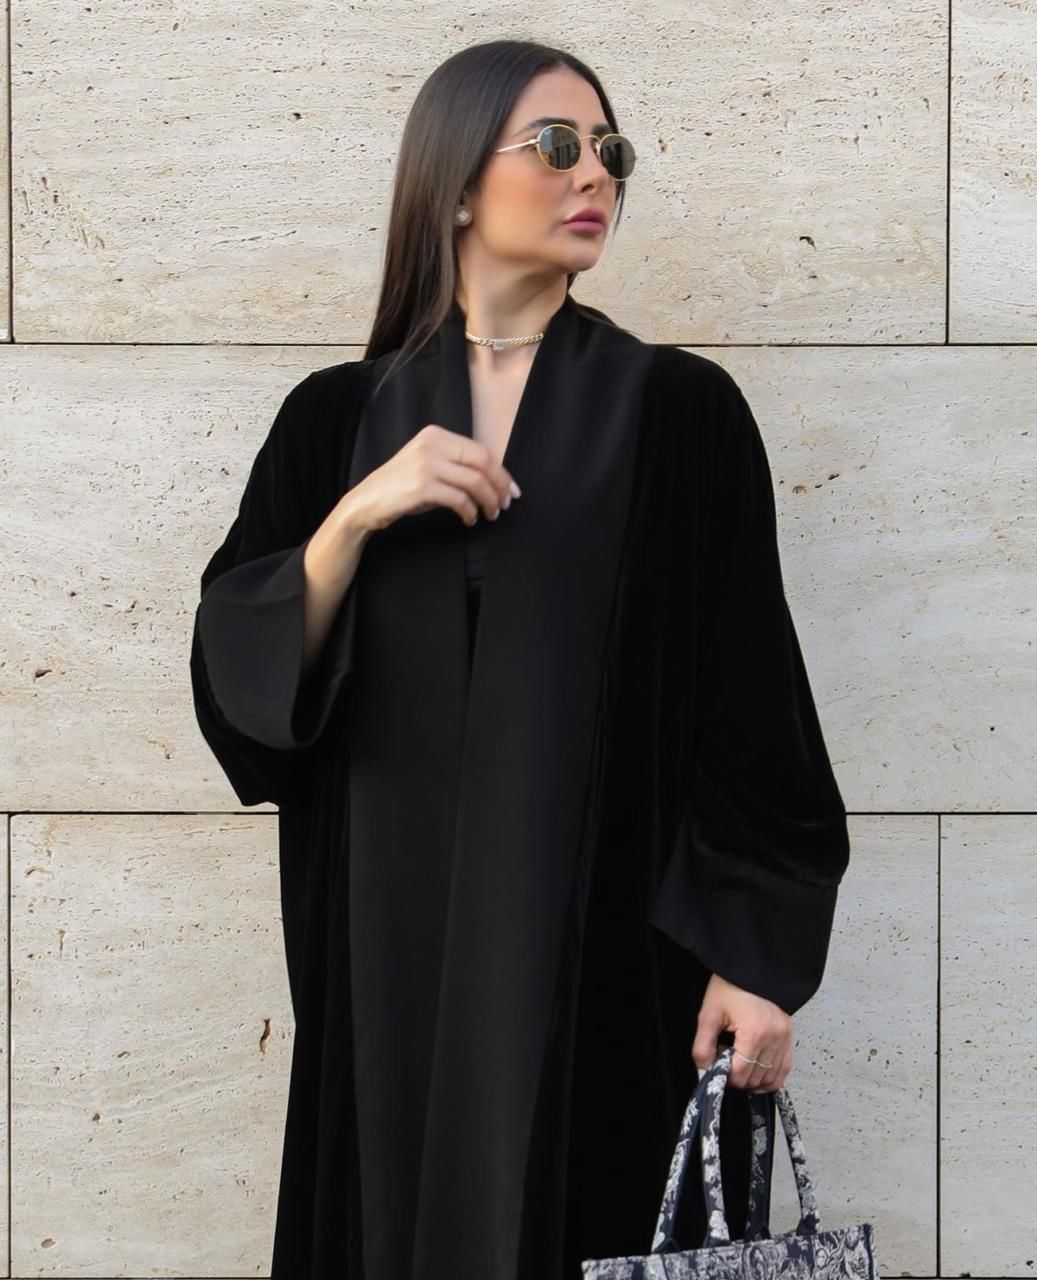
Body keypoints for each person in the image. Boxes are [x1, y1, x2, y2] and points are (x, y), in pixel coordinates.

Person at [189, 37, 851, 1280]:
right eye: (554, 145)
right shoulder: (337, 421)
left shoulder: (680, 415)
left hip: (614, 973)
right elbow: (243, 690)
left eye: (609, 150)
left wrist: (753, 960)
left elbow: (752, 706)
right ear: (453, 183)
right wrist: (355, 516)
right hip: (390, 978)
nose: (591, 173)